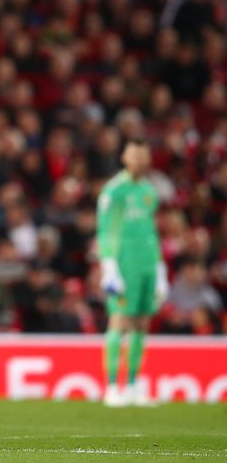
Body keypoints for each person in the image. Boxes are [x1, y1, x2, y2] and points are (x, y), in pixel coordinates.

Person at [96, 140, 169, 406]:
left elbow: (151, 231)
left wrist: (160, 269)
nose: (139, 161)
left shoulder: (149, 191)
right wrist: (109, 266)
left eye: (144, 156)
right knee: (119, 321)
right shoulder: (114, 191)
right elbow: (105, 230)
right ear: (125, 157)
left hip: (147, 263)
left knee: (141, 323)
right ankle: (112, 387)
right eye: (135, 156)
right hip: (124, 264)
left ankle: (133, 385)